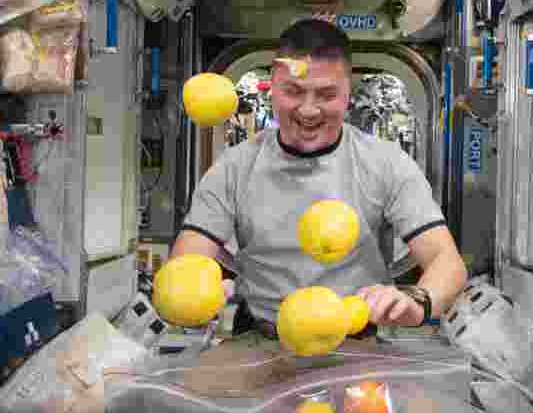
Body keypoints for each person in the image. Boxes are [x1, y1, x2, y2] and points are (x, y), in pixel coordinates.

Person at [170, 19, 467, 336]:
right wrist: (194, 296)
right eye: (294, 91)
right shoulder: (234, 168)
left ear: (347, 94)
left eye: (326, 94)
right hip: (260, 340)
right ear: (273, 88)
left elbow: (446, 261)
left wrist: (416, 301)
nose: (309, 110)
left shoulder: (387, 164)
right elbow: (186, 261)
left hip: (355, 342)